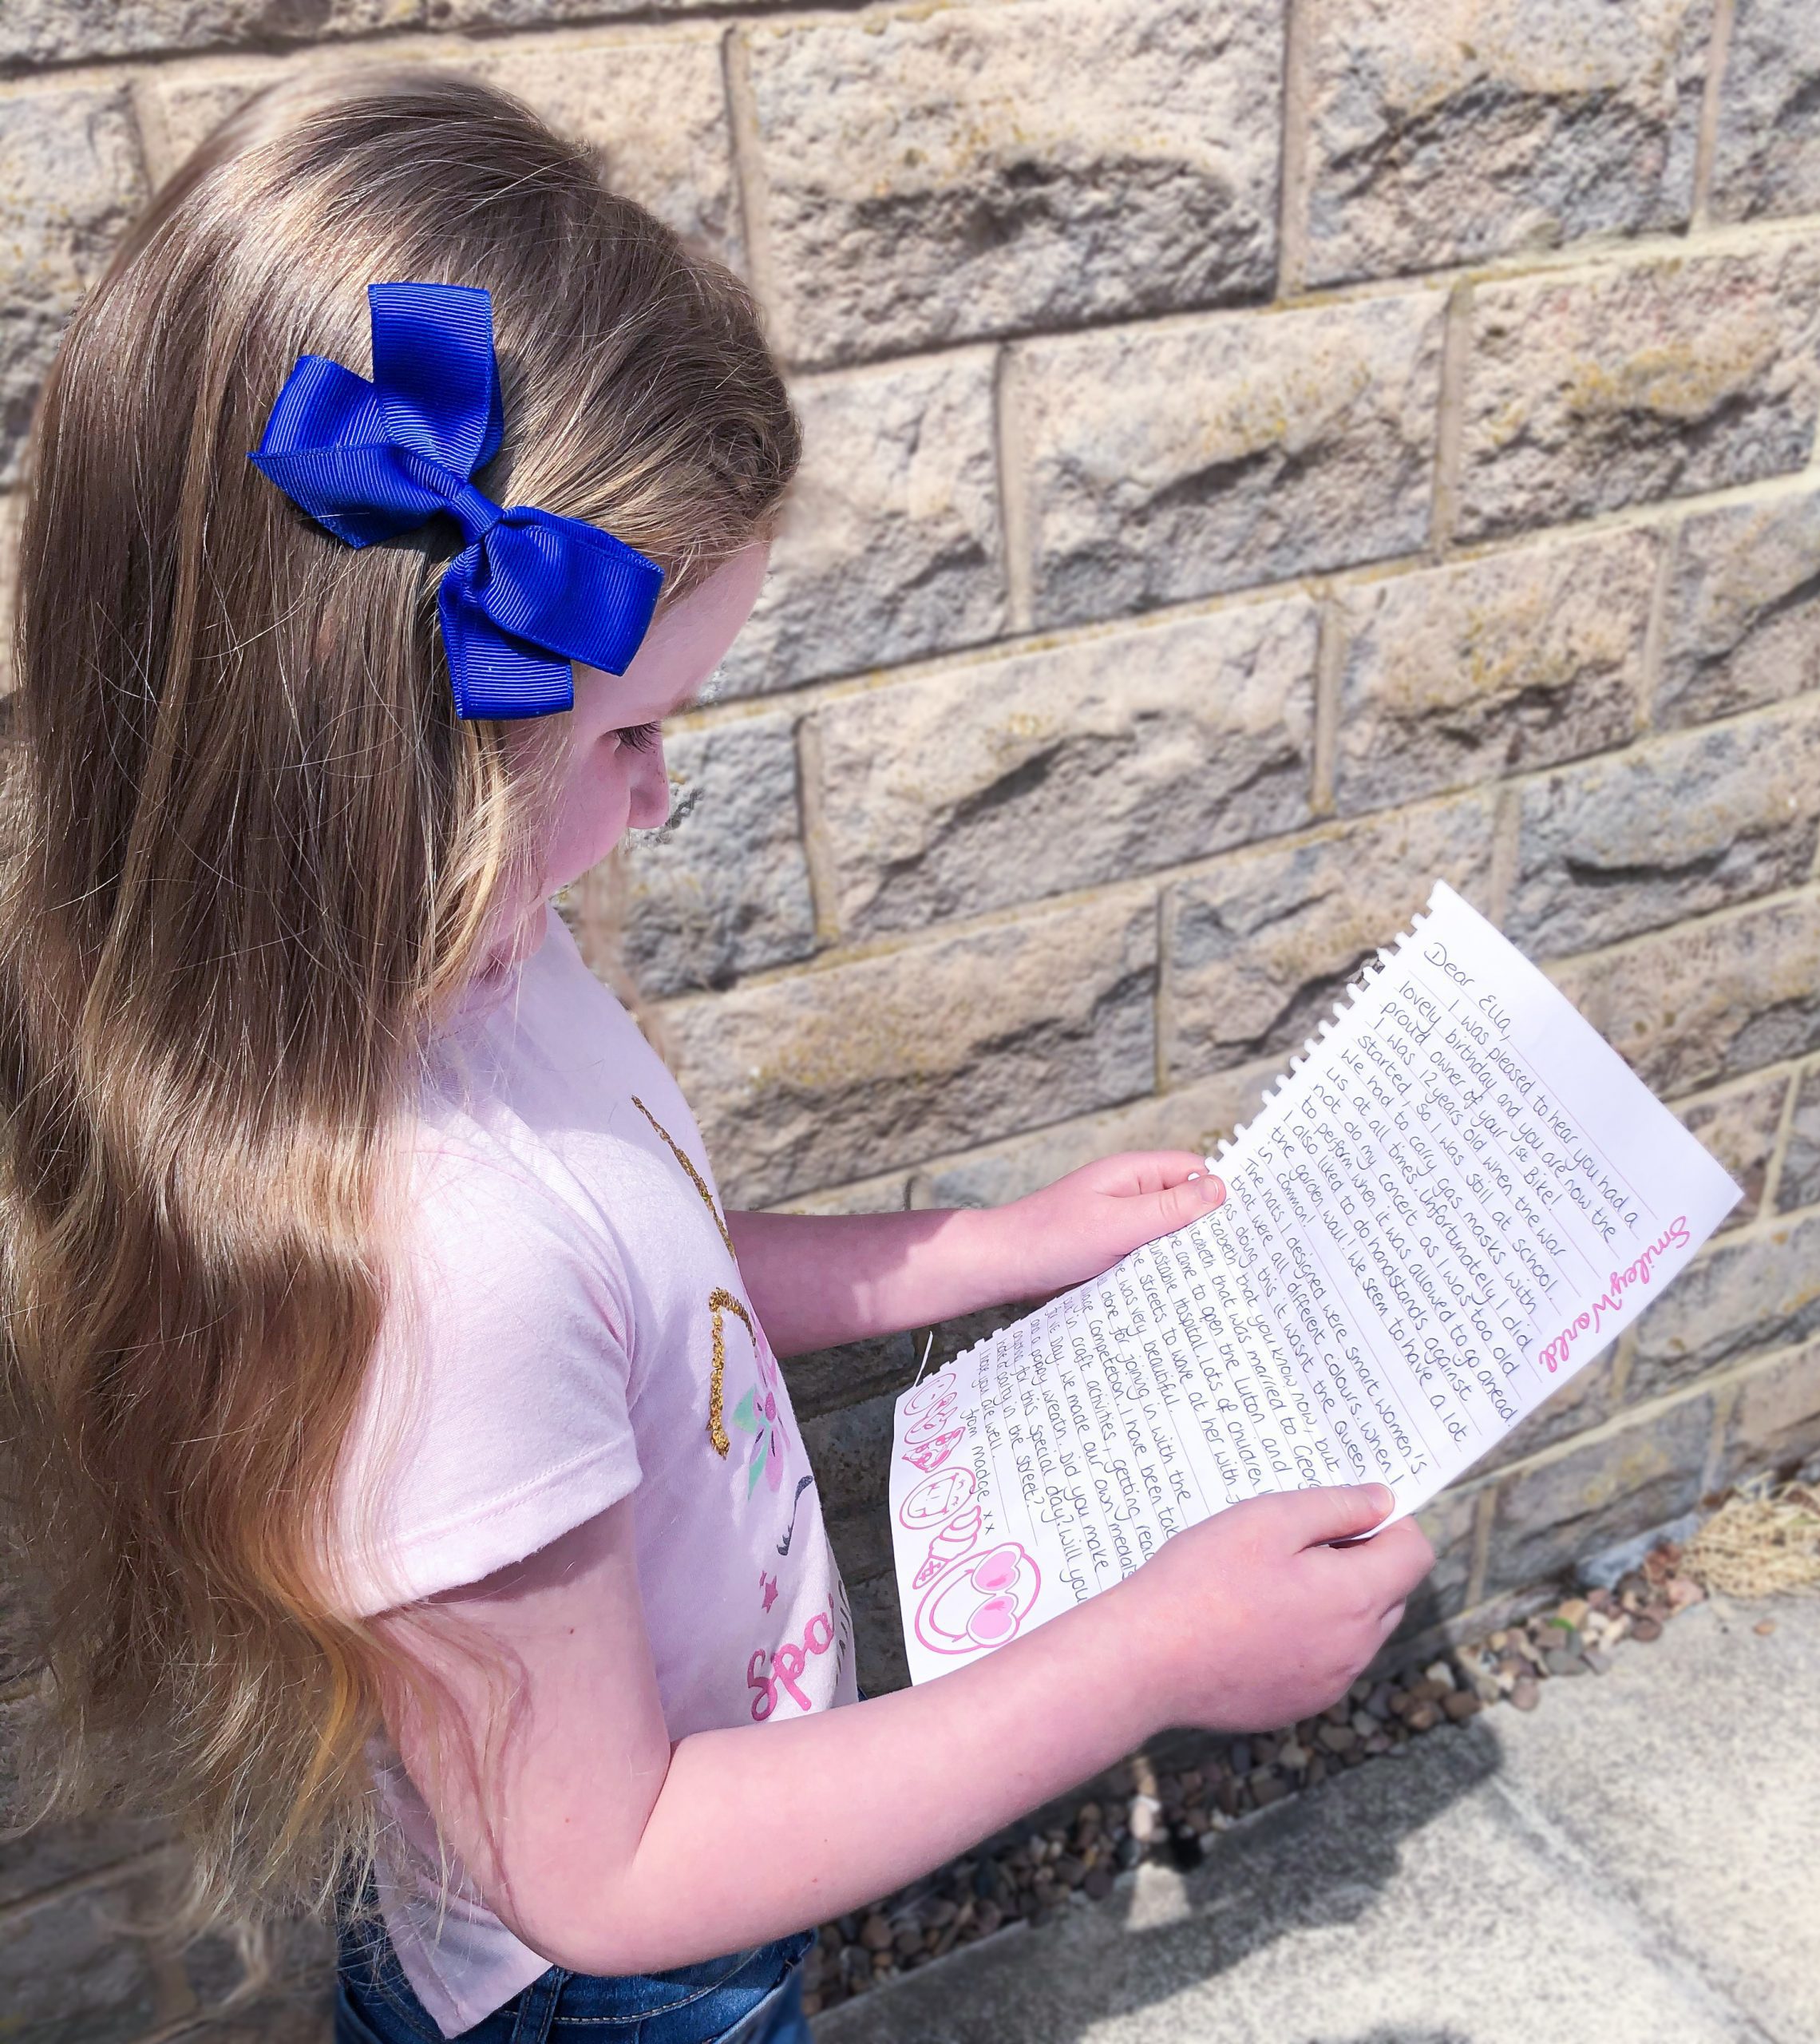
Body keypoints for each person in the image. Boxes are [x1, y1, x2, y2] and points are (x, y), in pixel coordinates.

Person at [0, 68, 1435, 2044]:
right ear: (383, 758)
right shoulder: (437, 1247)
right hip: (609, 1976)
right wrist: (1148, 1653)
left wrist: (977, 1246)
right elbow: (611, 1867)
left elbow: (654, 1288)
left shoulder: (462, 974)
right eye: (627, 735)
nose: (664, 798)